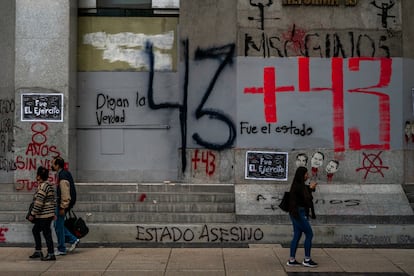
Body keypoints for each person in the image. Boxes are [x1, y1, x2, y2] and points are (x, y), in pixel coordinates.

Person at [286, 166, 318, 268]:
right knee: (309, 234)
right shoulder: (299, 186)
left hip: (295, 214)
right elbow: (306, 199)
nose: (307, 176)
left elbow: (304, 193)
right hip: (299, 214)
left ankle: (292, 260)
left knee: (297, 235)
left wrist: (311, 189)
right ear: (302, 175)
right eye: (306, 174)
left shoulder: (298, 185)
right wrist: (311, 189)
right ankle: (307, 260)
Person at [51, 156, 79, 256]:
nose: (51, 165)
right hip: (62, 204)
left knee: (58, 225)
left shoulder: (62, 176)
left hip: (62, 205)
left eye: (53, 163)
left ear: (57, 165)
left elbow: (65, 192)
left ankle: (62, 248)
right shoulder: (63, 173)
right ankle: (73, 239)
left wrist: (63, 206)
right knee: (58, 225)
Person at [28, 166, 56, 261]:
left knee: (46, 234)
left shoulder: (43, 187)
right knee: (36, 230)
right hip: (46, 215)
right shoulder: (49, 186)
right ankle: (38, 250)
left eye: (37, 174)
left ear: (39, 176)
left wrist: (32, 214)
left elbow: (39, 202)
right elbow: (53, 200)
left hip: (44, 215)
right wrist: (53, 212)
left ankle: (51, 253)